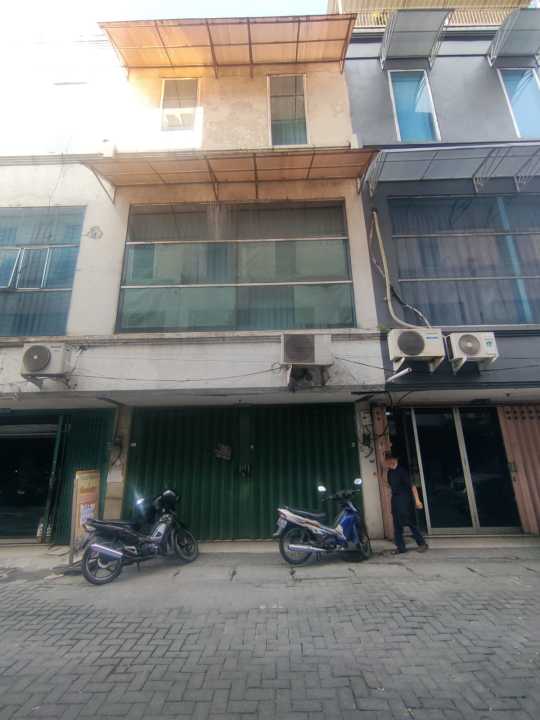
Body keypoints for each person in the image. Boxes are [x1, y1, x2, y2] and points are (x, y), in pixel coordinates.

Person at [384, 452, 428, 555]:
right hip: (395, 500)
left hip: (404, 500)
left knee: (409, 522)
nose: (388, 462)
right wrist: (379, 478)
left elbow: (412, 486)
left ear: (395, 460)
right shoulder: (389, 472)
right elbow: (390, 486)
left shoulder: (402, 471)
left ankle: (422, 544)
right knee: (396, 524)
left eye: (390, 459)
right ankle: (401, 548)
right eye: (387, 460)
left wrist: (417, 500)